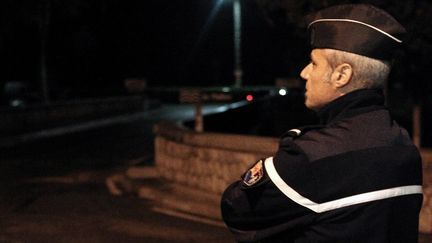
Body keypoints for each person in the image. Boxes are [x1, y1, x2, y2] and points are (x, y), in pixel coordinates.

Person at [221, 4, 423, 243]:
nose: (305, 73)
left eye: (314, 63)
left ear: (341, 75)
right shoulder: (404, 146)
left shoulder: (311, 155)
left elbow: (236, 209)